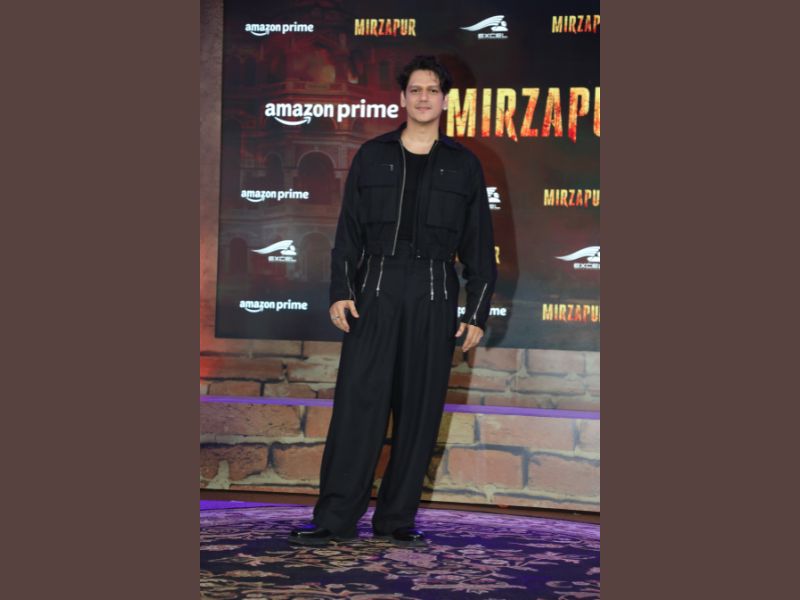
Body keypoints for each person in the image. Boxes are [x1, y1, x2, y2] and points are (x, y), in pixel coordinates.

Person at [289, 55, 497, 547]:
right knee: (357, 407)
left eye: (433, 90)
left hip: (435, 292)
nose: (424, 98)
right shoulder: (371, 155)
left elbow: (479, 244)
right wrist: (341, 291)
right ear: (403, 98)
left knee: (420, 410)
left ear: (445, 100)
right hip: (375, 292)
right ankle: (334, 519)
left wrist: (477, 311)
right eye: (416, 90)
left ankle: (397, 520)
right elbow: (348, 233)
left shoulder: (465, 165)